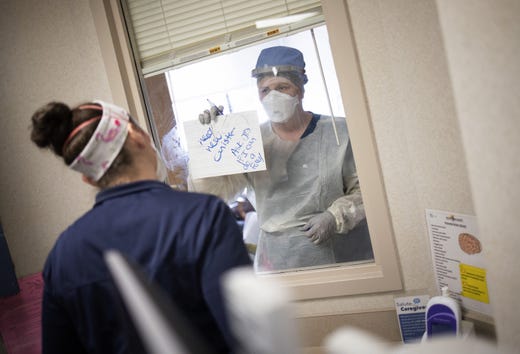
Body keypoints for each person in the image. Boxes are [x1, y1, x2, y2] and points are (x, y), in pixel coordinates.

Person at [30, 100, 252, 353]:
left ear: (88, 177)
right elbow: (246, 334)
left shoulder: (62, 255)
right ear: (136, 136)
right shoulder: (204, 216)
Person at [190, 46, 374, 272]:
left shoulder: (339, 132)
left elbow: (369, 191)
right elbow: (212, 195)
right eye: (265, 90)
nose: (273, 96)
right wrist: (208, 143)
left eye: (282, 87)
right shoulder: (249, 141)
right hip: (280, 263)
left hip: (342, 257)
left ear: (300, 89)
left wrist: (334, 217)